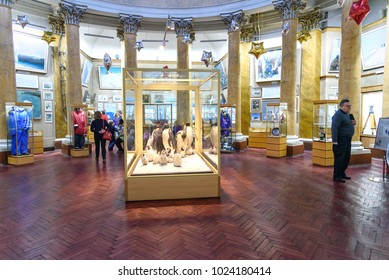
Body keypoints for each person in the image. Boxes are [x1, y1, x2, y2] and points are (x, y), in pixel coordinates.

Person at [331, 98, 356, 182]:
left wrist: (353, 123)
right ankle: (337, 176)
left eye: (350, 106)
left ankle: (342, 173)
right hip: (340, 140)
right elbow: (334, 128)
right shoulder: (338, 115)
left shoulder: (347, 114)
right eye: (348, 106)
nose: (349, 108)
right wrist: (335, 141)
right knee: (339, 158)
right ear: (341, 106)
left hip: (347, 140)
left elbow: (347, 125)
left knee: (346, 157)